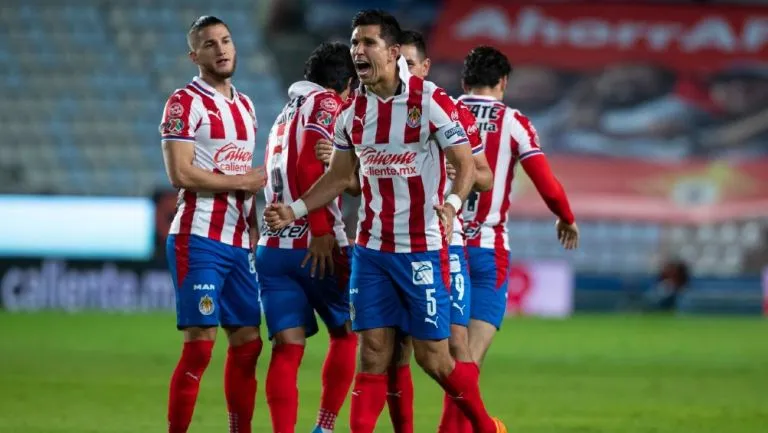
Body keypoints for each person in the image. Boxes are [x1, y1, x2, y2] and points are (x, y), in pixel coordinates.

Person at [265, 9, 506, 433]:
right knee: (372, 353)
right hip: (371, 251)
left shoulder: (431, 101)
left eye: (368, 42)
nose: (358, 49)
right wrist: (297, 210)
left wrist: (450, 204)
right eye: (355, 42)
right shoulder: (351, 112)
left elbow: (467, 167)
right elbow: (340, 177)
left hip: (421, 249)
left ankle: (485, 426)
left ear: (394, 52)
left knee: (434, 357)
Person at [454, 45, 579, 431]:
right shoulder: (514, 121)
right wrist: (566, 218)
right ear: (503, 82)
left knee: (442, 359)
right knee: (469, 359)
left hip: (441, 244)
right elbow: (548, 185)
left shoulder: (440, 112)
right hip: (488, 252)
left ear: (464, 81)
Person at [159, 16, 266, 433]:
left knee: (249, 346)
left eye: (226, 41)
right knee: (200, 348)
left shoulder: (246, 105)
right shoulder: (183, 103)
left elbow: (248, 182)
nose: (221, 49)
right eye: (209, 44)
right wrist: (245, 180)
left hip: (239, 243)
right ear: (194, 55)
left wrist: (254, 230)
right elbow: (180, 175)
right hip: (198, 237)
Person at [256, 41, 358, 433]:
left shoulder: (285, 113)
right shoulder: (328, 105)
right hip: (316, 244)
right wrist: (319, 229)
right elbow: (308, 163)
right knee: (346, 335)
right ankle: (325, 428)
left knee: (287, 348)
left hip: (274, 245)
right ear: (345, 83)